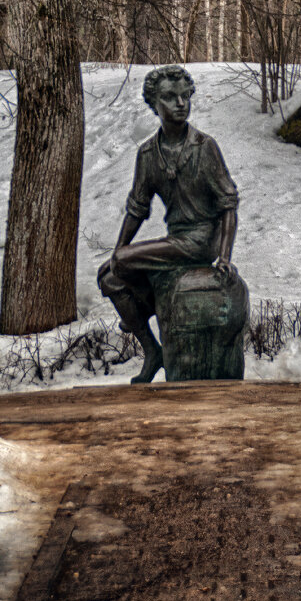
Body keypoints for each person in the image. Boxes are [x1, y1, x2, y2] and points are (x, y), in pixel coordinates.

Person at [97, 65, 239, 383]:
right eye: (170, 98)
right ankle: (152, 351)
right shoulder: (148, 153)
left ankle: (144, 308)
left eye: (185, 96)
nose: (180, 104)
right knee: (107, 276)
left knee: (119, 263)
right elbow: (137, 208)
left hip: (203, 240)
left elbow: (228, 204)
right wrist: (118, 253)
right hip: (177, 240)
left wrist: (225, 255)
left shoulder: (205, 147)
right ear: (154, 104)